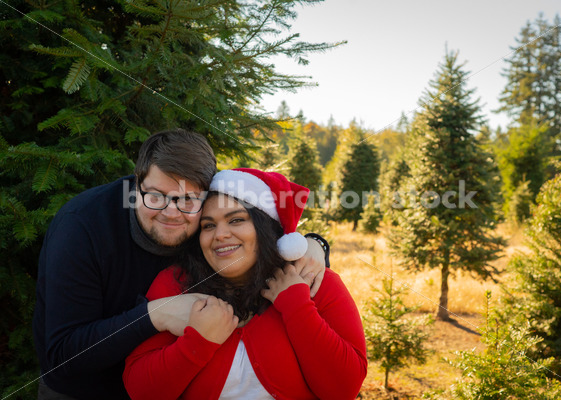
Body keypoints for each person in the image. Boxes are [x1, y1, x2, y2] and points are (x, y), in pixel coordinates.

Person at [33, 130, 329, 400]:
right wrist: (153, 315)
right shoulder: (82, 226)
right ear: (136, 183)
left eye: (187, 200)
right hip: (82, 391)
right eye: (156, 196)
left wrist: (315, 244)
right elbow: (63, 355)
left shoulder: (206, 227)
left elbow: (259, 238)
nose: (170, 212)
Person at [123, 168, 367, 400]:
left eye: (236, 220)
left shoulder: (313, 280)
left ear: (264, 227)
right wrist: (198, 342)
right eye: (208, 225)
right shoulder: (176, 284)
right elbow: (140, 391)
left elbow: (343, 390)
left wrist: (297, 307)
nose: (220, 235)